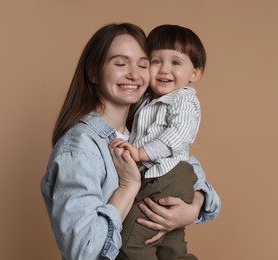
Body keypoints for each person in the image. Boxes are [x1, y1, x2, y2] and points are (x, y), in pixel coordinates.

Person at [40, 23, 220, 260]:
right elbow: (81, 251)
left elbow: (195, 177)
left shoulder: (143, 133)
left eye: (143, 64)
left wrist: (193, 207)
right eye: (120, 63)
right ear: (94, 72)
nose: (134, 74)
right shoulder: (80, 148)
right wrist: (128, 187)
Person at [110, 24, 208, 259]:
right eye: (156, 61)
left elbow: (176, 135)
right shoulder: (146, 99)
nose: (164, 70)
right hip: (160, 176)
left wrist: (140, 153)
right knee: (170, 246)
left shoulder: (183, 100)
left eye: (176, 62)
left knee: (131, 243)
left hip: (167, 176)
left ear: (195, 73)